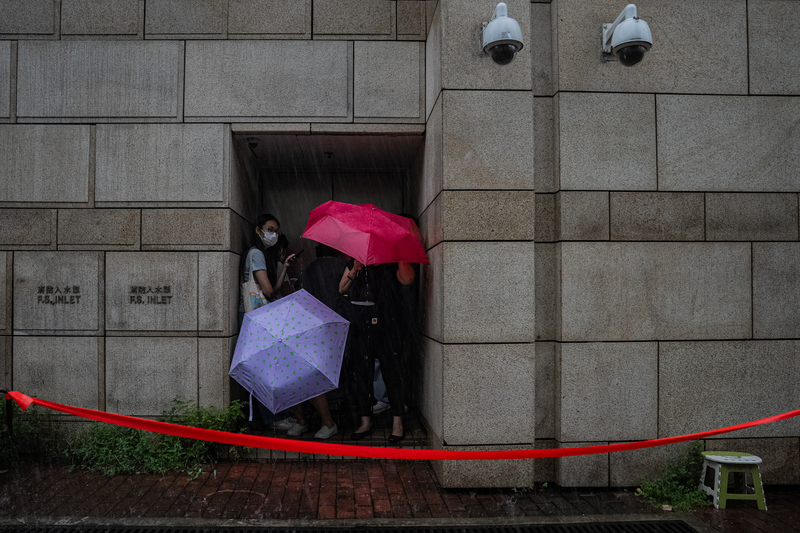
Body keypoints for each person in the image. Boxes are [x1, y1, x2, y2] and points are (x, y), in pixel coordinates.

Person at [339, 259, 415, 443]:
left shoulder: (391, 261)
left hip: (388, 322)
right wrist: (354, 270)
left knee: (392, 372)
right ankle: (365, 422)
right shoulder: (356, 260)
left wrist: (399, 257)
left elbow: (407, 280)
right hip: (361, 323)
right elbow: (342, 289)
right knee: (362, 373)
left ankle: (398, 423)